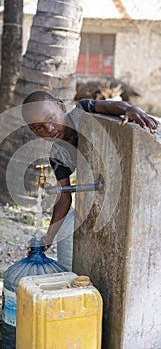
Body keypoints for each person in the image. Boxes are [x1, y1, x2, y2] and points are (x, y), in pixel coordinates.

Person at [22, 90, 159, 268]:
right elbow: (64, 196)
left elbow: (108, 106)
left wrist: (130, 109)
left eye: (50, 117)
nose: (49, 129)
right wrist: (48, 237)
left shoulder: (83, 111)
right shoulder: (58, 155)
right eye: (39, 128)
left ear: (61, 106)